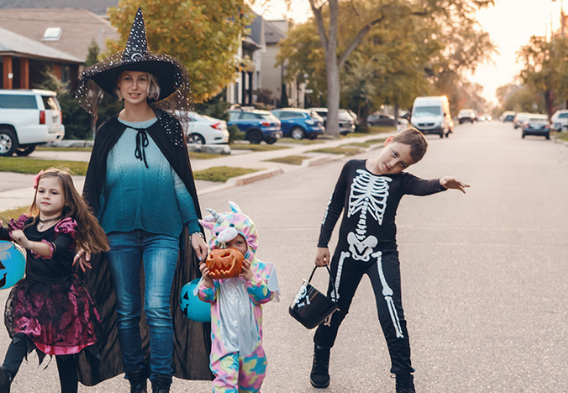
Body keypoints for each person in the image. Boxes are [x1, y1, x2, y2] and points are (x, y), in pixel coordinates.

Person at [72, 7, 213, 393]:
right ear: (118, 88)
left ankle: (161, 382)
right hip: (116, 232)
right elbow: (94, 188)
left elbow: (181, 182)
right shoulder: (108, 131)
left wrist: (193, 228)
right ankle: (137, 380)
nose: (134, 86)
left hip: (163, 231)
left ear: (151, 85)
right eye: (127, 79)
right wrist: (85, 235)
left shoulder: (168, 126)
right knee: (127, 310)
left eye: (142, 79)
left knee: (156, 308)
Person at [310, 128, 470, 393]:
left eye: (402, 164)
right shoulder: (351, 168)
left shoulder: (400, 181)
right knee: (335, 309)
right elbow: (335, 205)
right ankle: (321, 354)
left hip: (381, 254)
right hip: (346, 254)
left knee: (391, 312)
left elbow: (421, 186)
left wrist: (442, 182)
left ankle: (404, 378)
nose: (393, 164)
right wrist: (322, 243)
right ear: (388, 142)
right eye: (394, 154)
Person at [0, 169, 110, 393]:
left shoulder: (66, 227)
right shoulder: (29, 225)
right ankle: (6, 375)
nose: (46, 196)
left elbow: (54, 249)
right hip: (32, 294)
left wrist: (28, 243)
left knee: (65, 354)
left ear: (67, 199)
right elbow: (1, 235)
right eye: (42, 191)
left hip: (63, 298)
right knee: (22, 334)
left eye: (54, 192)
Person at [196, 202, 280, 393]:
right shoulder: (216, 271)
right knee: (224, 383)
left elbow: (266, 295)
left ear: (249, 243)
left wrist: (250, 277)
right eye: (226, 245)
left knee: (251, 385)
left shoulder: (259, 268)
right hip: (223, 342)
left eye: (239, 243)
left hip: (250, 343)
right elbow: (205, 296)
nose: (232, 250)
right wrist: (207, 281)